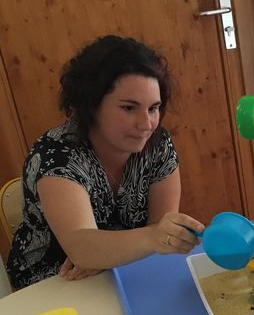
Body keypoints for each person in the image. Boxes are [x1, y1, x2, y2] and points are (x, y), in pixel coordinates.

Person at [7, 35, 204, 291]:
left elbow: (160, 234)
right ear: (91, 105)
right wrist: (112, 248)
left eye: (153, 108)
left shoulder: (157, 144)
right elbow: (82, 247)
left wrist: (107, 253)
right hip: (55, 282)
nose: (146, 124)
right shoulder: (56, 154)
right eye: (129, 108)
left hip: (128, 272)